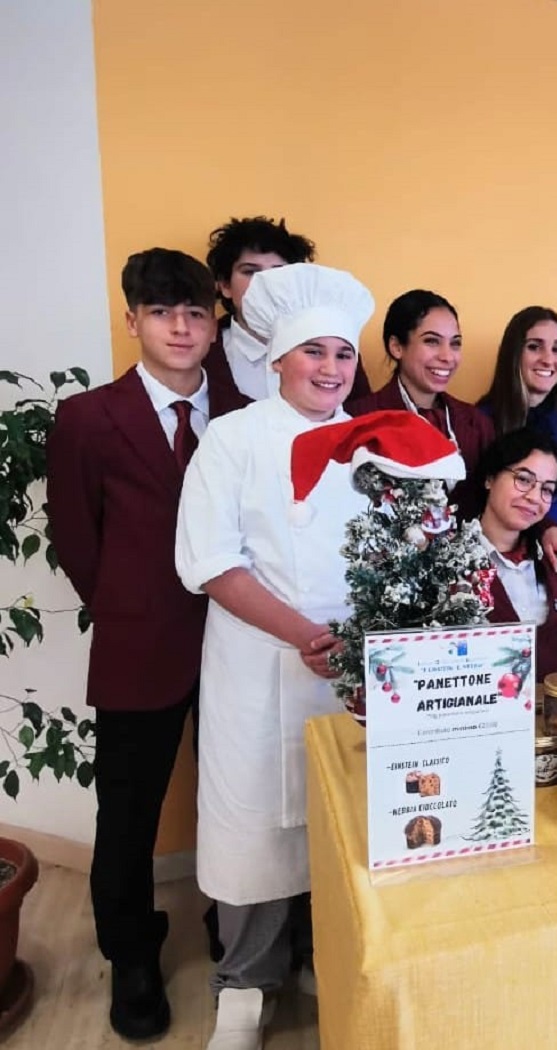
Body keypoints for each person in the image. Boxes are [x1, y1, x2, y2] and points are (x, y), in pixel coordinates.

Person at [45, 248, 247, 1041]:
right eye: (162, 312)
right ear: (132, 319)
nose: (181, 327)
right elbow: (76, 541)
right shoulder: (89, 418)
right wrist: (130, 606)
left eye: (196, 312)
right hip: (138, 646)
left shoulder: (237, 412)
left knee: (235, 793)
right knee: (128, 811)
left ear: (213, 322)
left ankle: (232, 930)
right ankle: (130, 955)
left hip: (235, 639)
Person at [175, 263, 376, 1049]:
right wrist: (302, 635)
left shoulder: (369, 444)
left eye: (342, 355)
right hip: (258, 665)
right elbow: (211, 563)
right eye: (314, 353)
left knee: (341, 824)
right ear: (278, 361)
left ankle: (331, 957)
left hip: (348, 672)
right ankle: (245, 985)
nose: (330, 369)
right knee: (254, 828)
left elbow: (394, 555)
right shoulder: (231, 439)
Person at [348, 290, 557, 583]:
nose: (447, 356)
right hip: (382, 581)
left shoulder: (473, 422)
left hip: (463, 581)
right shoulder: (360, 418)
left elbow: (501, 494)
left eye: (455, 343)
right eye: (432, 341)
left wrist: (548, 527)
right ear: (396, 346)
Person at [203, 215, 370, 405]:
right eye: (250, 271)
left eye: (278, 272)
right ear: (225, 285)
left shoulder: (336, 348)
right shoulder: (203, 350)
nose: (266, 282)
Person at [476, 427, 557, 678]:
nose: (534, 497)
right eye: (524, 479)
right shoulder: (449, 562)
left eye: (547, 489)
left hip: (554, 712)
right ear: (490, 478)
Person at [477, 306, 557, 541]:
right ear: (513, 353)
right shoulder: (478, 421)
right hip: (493, 558)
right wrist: (547, 528)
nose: (548, 359)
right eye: (534, 347)